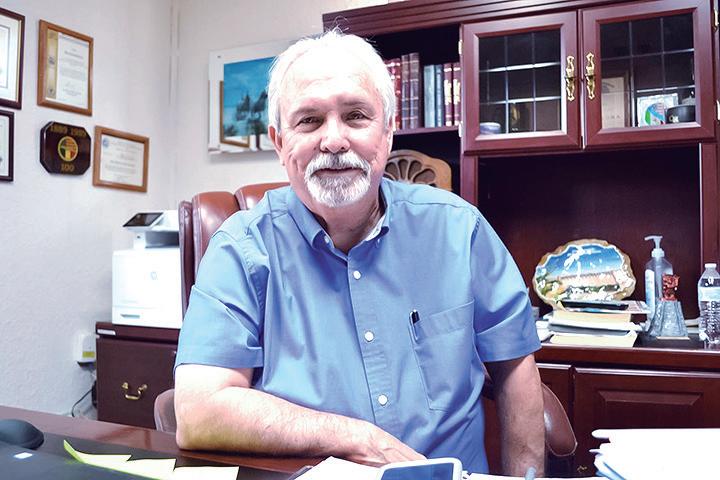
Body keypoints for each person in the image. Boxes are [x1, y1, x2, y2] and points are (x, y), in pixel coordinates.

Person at [174, 29, 544, 476]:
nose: (334, 140)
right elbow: (198, 411)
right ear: (279, 143)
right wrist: (358, 439)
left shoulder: (459, 230)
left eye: (355, 116)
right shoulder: (240, 248)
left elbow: (514, 367)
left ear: (387, 132)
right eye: (309, 120)